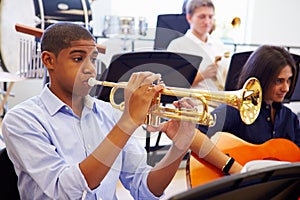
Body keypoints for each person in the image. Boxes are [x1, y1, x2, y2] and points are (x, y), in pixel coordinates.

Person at [2, 22, 242, 199]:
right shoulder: (21, 120)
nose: (90, 70)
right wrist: (127, 122)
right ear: (49, 61)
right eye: (78, 59)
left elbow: (146, 189)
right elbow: (66, 190)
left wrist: (180, 145)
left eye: (93, 60)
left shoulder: (107, 113)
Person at [196, 45, 300, 147]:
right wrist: (229, 164)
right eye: (279, 81)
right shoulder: (232, 111)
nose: (286, 88)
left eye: (289, 80)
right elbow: (197, 137)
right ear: (262, 78)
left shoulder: (291, 119)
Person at [168, 0, 229, 91]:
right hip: (194, 103)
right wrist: (203, 75)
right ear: (189, 18)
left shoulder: (219, 45)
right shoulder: (177, 45)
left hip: (221, 102)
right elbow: (172, 85)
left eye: (210, 17)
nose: (207, 21)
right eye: (202, 17)